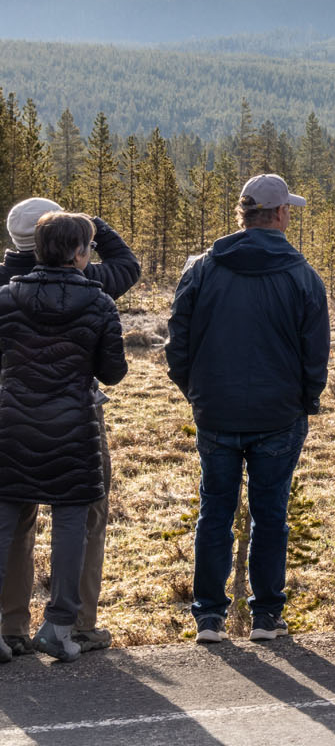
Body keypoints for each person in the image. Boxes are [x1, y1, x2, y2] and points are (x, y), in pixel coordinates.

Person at [166, 174, 329, 644]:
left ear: (245, 214)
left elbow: (177, 341)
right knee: (270, 514)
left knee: (215, 511)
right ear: (278, 214)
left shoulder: (202, 268)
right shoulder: (302, 275)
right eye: (288, 209)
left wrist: (196, 392)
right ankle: (266, 615)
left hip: (216, 410)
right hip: (279, 414)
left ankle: (209, 616)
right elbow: (315, 353)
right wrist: (306, 401)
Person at [1, 197, 138, 656]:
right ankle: (63, 626)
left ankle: (8, 626)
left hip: (13, 419)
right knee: (74, 520)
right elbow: (113, 372)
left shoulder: (5, 294)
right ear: (79, 251)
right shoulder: (97, 298)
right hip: (74, 423)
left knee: (6, 522)